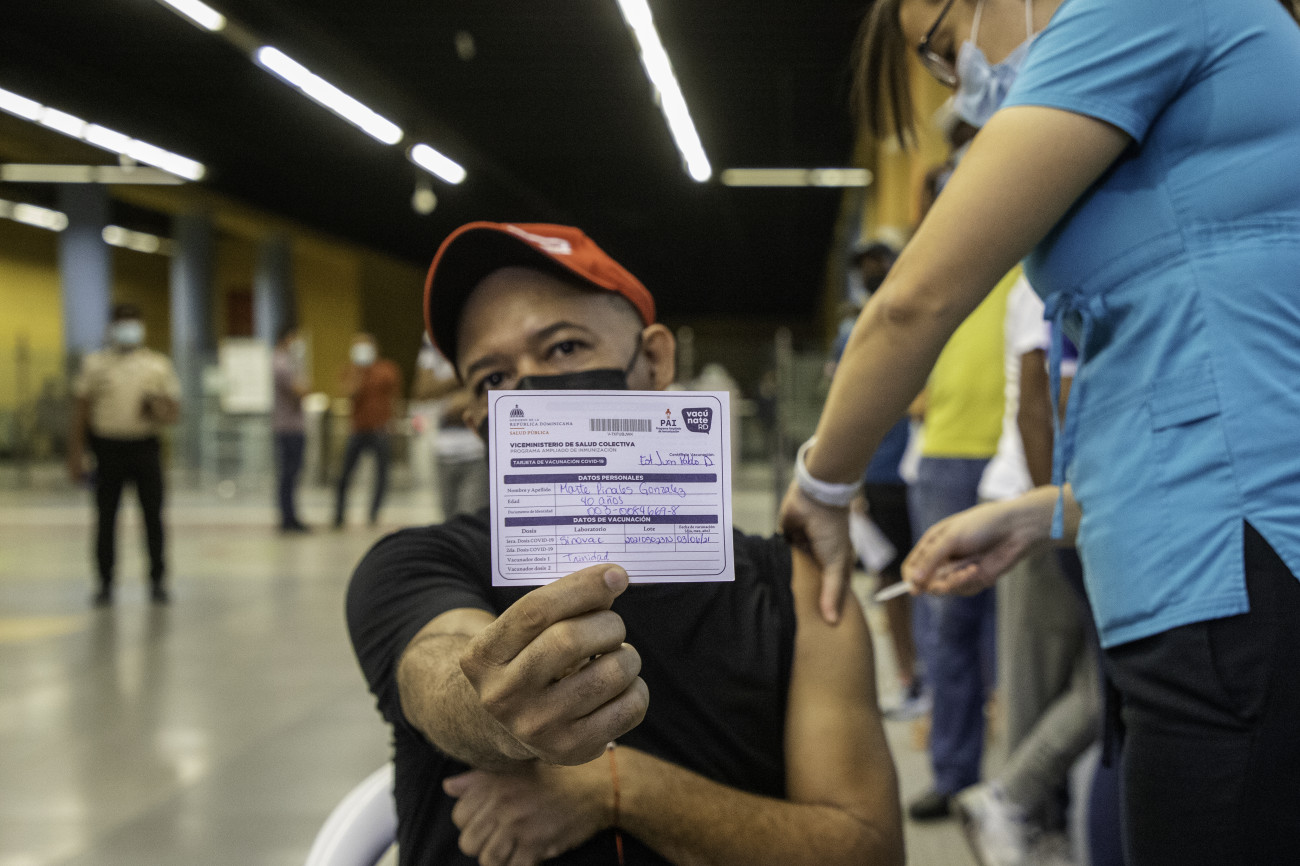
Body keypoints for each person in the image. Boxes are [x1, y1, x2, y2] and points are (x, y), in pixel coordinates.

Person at [780, 1, 1300, 863]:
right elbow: (1202, 367)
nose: (957, 82)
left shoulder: (1141, 7)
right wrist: (1047, 513)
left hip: (1234, 568)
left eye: (943, 48)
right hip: (1207, 556)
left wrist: (823, 486)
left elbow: (915, 300)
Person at [347, 221, 903, 866]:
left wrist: (619, 788)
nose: (531, 389)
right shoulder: (416, 563)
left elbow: (867, 850)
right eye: (493, 378)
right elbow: (436, 669)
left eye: (564, 348)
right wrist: (492, 702)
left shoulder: (794, 587)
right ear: (479, 426)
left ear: (656, 361)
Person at [67, 302, 180, 606]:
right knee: (106, 518)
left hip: (145, 447)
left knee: (153, 516)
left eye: (134, 322)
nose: (129, 328)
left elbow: (174, 412)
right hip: (108, 449)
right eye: (123, 322)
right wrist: (75, 454)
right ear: (112, 327)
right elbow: (81, 411)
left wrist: (158, 407)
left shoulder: (157, 365)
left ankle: (157, 580)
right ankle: (105, 582)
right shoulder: (96, 364)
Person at [410, 337, 488, 520]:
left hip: (477, 452)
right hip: (443, 450)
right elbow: (422, 391)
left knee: (470, 523)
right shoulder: (431, 341)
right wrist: (463, 378)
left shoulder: (480, 334)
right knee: (449, 521)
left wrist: (444, 389)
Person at [334, 333, 401, 528]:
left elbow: (394, 397)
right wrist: (358, 374)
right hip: (357, 429)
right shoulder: (349, 370)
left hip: (380, 429)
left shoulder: (387, 369)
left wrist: (393, 423)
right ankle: (339, 514)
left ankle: (373, 513)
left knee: (381, 475)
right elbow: (350, 394)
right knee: (344, 473)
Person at [272, 324, 312, 532]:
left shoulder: (287, 362)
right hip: (288, 428)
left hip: (292, 426)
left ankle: (291, 516)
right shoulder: (281, 363)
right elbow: (300, 390)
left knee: (292, 475)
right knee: (288, 475)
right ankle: (288, 518)